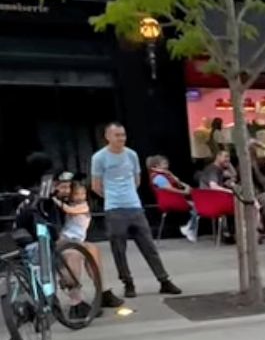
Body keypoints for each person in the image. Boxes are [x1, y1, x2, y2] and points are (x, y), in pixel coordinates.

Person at [91, 123, 182, 299]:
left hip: (134, 206)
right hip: (114, 208)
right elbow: (96, 186)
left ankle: (163, 280)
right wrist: (112, 196)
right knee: (119, 248)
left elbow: (137, 179)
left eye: (123, 135)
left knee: (148, 245)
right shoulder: (99, 158)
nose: (121, 139)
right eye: (117, 135)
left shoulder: (131, 154)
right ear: (107, 136)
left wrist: (129, 194)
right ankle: (128, 282)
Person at [54, 174, 123, 312]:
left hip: (74, 239)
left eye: (69, 187)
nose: (67, 190)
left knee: (92, 249)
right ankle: (76, 301)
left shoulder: (77, 205)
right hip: (58, 241)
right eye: (63, 186)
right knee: (73, 254)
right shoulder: (51, 203)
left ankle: (102, 291)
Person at [147, 155, 199, 243]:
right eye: (164, 164)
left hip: (174, 199)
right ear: (156, 166)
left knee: (196, 204)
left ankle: (189, 227)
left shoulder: (166, 175)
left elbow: (179, 184)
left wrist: (171, 174)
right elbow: (169, 189)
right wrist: (184, 192)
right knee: (198, 207)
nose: (167, 166)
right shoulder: (158, 177)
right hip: (170, 201)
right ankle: (190, 229)